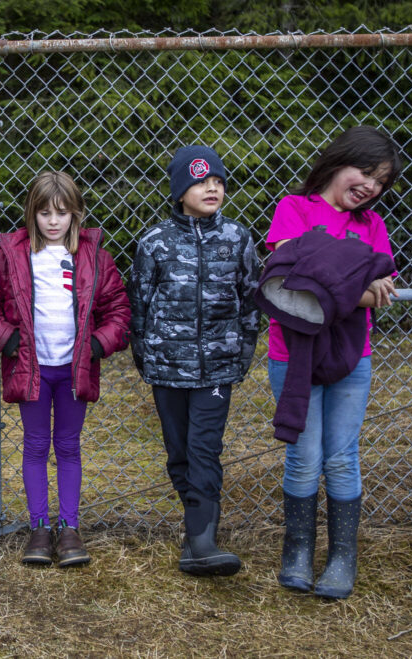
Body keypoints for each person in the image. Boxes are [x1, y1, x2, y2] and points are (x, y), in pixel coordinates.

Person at [262, 126, 401, 599]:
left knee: (342, 458)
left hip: (351, 356)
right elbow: (287, 279)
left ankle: (342, 556)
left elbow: (380, 291)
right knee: (304, 457)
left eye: (380, 181)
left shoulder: (373, 225)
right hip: (292, 354)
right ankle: (297, 551)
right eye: (365, 172)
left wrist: (324, 276)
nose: (370, 186)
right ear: (339, 162)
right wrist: (351, 283)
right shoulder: (294, 209)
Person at [0, 171, 131, 567]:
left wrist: (99, 344)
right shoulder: (10, 256)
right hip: (32, 369)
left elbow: (118, 310)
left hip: (73, 369)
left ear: (75, 214)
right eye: (44, 212)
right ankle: (39, 528)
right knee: (34, 446)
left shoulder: (95, 258)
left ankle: (69, 528)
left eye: (61, 212)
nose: (52, 220)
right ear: (31, 213)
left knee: (67, 446)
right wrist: (6, 338)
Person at [129, 146, 260, 576]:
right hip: (167, 366)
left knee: (205, 448)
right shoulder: (155, 243)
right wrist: (146, 356)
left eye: (218, 182)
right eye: (201, 181)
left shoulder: (237, 239)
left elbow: (249, 301)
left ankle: (202, 539)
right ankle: (195, 530)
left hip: (218, 368)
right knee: (179, 451)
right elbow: (141, 304)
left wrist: (240, 354)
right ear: (180, 190)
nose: (212, 188)